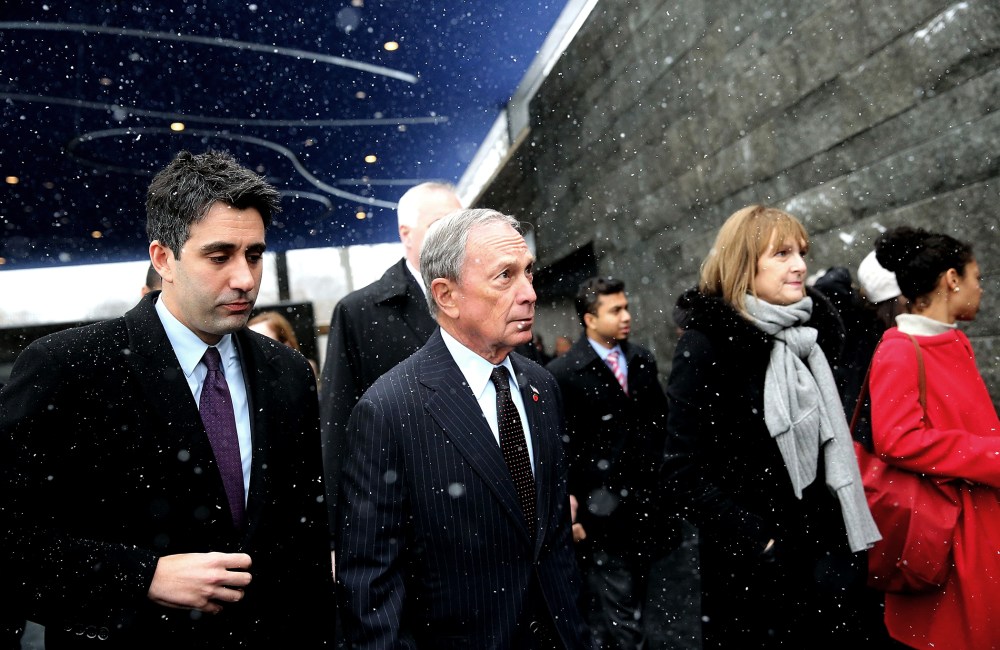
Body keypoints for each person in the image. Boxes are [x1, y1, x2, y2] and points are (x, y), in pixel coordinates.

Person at [0, 150, 335, 649]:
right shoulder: (69, 368)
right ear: (163, 259)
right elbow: (12, 538)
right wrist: (142, 576)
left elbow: (304, 539)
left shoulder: (287, 372)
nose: (245, 278)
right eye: (219, 256)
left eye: (255, 255)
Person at [336, 208, 591, 649]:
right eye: (505, 276)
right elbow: (372, 583)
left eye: (528, 271)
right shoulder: (389, 409)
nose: (530, 293)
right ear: (446, 295)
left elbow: (551, 542)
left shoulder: (542, 386)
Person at [662, 204, 881, 649]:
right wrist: (761, 539)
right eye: (782, 254)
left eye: (801, 252)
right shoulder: (707, 346)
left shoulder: (810, 339)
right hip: (755, 581)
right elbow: (681, 473)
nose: (799, 265)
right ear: (745, 264)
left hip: (827, 560)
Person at [868, 226, 1000, 649]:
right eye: (976, 277)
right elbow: (897, 438)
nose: (980, 288)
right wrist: (990, 455)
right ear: (951, 279)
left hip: (977, 521)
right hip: (947, 530)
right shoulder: (900, 349)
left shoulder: (952, 341)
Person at [318, 181, 462, 547]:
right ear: (405, 234)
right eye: (440, 225)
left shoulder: (490, 301)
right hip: (404, 519)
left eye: (461, 224)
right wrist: (336, 536)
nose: (454, 236)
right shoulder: (360, 313)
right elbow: (339, 423)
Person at [546, 276, 678, 649]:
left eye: (627, 307)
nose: (626, 316)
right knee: (621, 617)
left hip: (648, 509)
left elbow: (659, 427)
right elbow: (563, 450)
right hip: (602, 516)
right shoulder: (563, 373)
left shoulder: (640, 359)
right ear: (590, 319)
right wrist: (575, 512)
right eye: (615, 310)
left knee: (651, 606)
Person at [248, 309, 320, 379]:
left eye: (265, 343)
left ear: (286, 345)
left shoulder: (303, 374)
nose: (256, 350)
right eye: (250, 343)